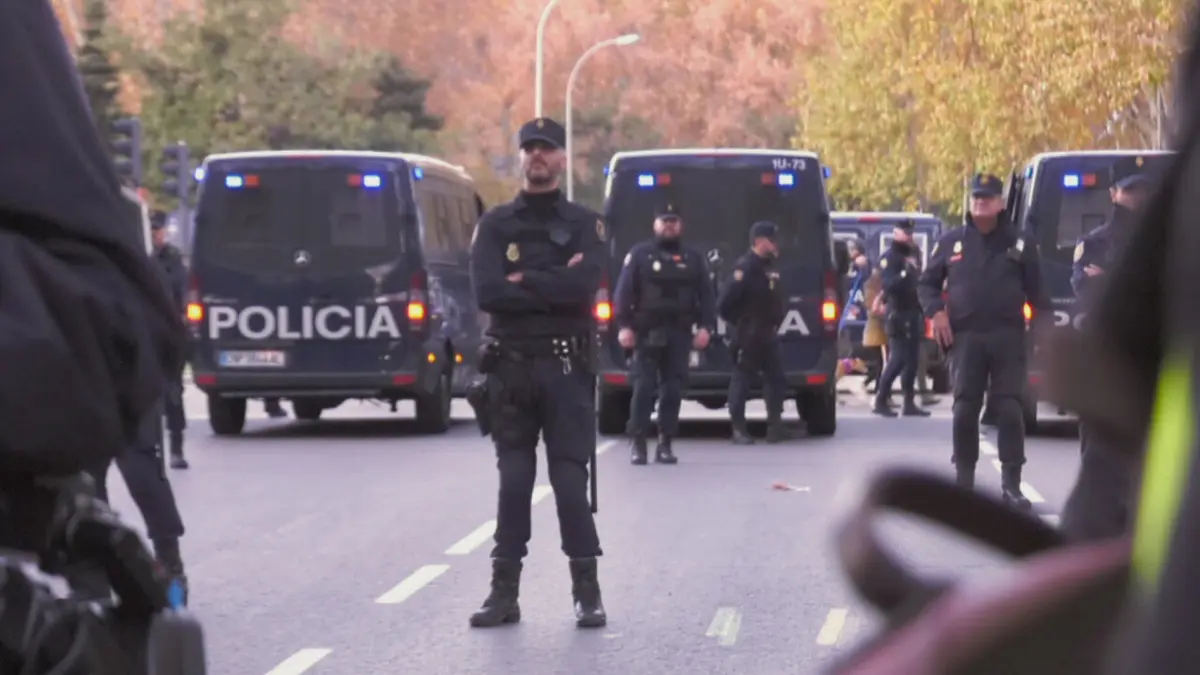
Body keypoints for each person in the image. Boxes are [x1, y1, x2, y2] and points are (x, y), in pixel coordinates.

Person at [467, 116, 606, 629]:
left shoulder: (586, 224)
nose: (538, 157)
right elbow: (489, 292)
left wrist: (525, 281)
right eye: (530, 149)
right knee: (514, 482)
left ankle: (586, 591)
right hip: (511, 369)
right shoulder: (496, 224)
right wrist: (553, 281)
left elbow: (584, 286)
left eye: (546, 148)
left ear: (562, 158)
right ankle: (504, 593)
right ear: (521, 158)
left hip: (566, 369)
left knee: (570, 484)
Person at [918, 173, 1048, 507]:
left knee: (1008, 409)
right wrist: (936, 312)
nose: (981, 203)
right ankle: (964, 483)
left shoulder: (1020, 243)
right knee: (964, 409)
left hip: (1007, 337)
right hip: (966, 337)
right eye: (976, 198)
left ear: (1000, 204)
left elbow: (1038, 295)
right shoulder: (952, 242)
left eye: (987, 198)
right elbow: (927, 284)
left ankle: (1012, 484)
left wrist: (1044, 337)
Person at [1059, 155, 1153, 542]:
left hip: (1153, 363)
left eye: (1143, 189)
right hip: (1108, 358)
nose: (1138, 197)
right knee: (1099, 452)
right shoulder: (1094, 242)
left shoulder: (1166, 242)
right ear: (1114, 193)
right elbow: (1086, 289)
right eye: (1130, 190)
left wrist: (1112, 278)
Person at [613, 202, 716, 465]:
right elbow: (624, 293)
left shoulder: (693, 257)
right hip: (646, 333)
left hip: (679, 333)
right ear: (655, 224)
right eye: (664, 221)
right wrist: (624, 326)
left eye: (673, 220)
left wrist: (706, 327)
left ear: (680, 225)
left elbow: (706, 296)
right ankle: (638, 443)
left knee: (672, 391)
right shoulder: (640, 255)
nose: (669, 225)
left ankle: (665, 443)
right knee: (643, 389)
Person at [86, 402, 189, 603]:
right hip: (87, 385)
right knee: (89, 477)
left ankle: (171, 567)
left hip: (134, 385)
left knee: (142, 471)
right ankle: (95, 568)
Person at [719, 221, 793, 444]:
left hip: (768, 332)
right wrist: (741, 324)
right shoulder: (745, 268)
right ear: (760, 241)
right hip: (748, 334)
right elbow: (724, 304)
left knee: (776, 379)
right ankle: (739, 428)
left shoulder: (770, 266)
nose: (775, 244)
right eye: (771, 240)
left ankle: (775, 425)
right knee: (742, 381)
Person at [872, 219, 931, 417]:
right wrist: (906, 272)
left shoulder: (913, 253)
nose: (909, 235)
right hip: (898, 312)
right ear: (896, 233)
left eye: (911, 232)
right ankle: (881, 398)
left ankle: (909, 402)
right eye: (905, 232)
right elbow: (888, 285)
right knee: (898, 358)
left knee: (913, 360)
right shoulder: (890, 257)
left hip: (913, 311)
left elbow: (919, 280)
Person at [151, 211, 190, 469]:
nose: (157, 235)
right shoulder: (135, 255)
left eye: (159, 230)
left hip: (169, 337)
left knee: (173, 395)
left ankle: (176, 448)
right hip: (143, 336)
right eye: (153, 230)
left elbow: (182, 292)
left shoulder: (172, 259)